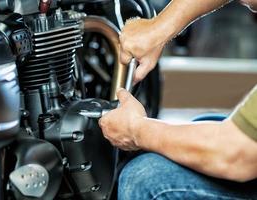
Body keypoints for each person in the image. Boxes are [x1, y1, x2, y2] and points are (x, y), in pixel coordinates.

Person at [99, 0, 257, 199]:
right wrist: (159, 28)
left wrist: (136, 130)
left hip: (240, 155)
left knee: (145, 178)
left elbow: (235, 155)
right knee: (202, 127)